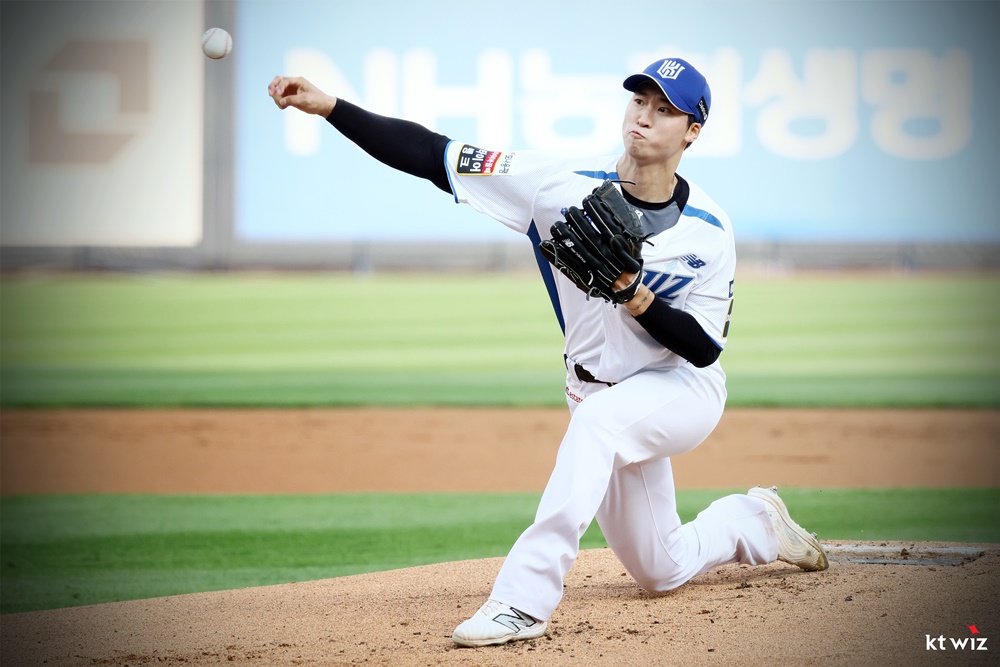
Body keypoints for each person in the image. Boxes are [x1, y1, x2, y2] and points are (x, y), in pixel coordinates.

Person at [268, 57, 829, 648]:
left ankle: (522, 601)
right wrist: (331, 107)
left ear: (692, 131)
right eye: (639, 101)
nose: (645, 117)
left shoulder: (709, 229)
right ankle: (757, 522)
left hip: (679, 390)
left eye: (665, 110)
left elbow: (704, 349)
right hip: (594, 387)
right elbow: (432, 154)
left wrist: (633, 295)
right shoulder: (557, 184)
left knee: (598, 428)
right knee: (661, 567)